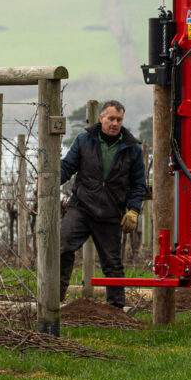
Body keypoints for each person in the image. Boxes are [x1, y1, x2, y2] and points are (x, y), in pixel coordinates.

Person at [59, 99, 146, 310]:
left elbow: (138, 185)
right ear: (101, 118)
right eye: (111, 118)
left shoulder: (132, 149)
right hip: (81, 207)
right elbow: (67, 166)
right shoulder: (84, 140)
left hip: (110, 212)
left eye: (119, 119)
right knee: (62, 248)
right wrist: (49, 179)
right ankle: (54, 300)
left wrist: (133, 210)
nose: (115, 123)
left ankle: (115, 309)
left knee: (112, 263)